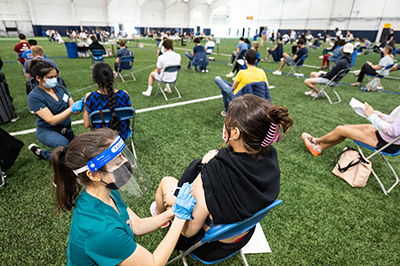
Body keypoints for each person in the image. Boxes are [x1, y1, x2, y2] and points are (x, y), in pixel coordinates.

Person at [153, 94, 293, 261]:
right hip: (241, 237)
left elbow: (187, 231)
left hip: (209, 247)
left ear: (234, 133)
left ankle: (160, 216)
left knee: (166, 182)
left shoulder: (212, 174)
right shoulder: (270, 156)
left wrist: (174, 201)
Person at [52, 128, 196, 266]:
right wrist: (180, 218)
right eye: (117, 161)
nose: (126, 163)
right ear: (94, 174)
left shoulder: (104, 191)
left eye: (122, 155)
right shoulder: (101, 230)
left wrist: (173, 211)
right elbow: (153, 263)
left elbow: (137, 226)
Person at [27, 60, 83, 160]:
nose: (54, 79)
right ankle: (41, 153)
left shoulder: (60, 88)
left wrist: (81, 104)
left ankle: (44, 153)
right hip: (47, 131)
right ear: (38, 78)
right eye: (50, 77)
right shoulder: (34, 97)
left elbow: (73, 108)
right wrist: (71, 109)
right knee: (64, 151)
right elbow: (51, 120)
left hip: (66, 129)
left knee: (75, 154)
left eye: (55, 76)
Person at [302, 103, 400, 157]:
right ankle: (318, 148)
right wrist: (381, 116)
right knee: (345, 128)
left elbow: (393, 131)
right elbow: (395, 121)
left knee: (341, 129)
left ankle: (315, 141)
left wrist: (372, 117)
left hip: (387, 143)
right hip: (386, 137)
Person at [83, 63, 132, 140]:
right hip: (121, 135)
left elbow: (86, 124)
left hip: (101, 138)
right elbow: (131, 115)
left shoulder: (90, 97)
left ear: (94, 80)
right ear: (112, 77)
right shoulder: (124, 94)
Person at [215, 49, 269, 116]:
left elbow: (234, 87)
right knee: (225, 88)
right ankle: (226, 111)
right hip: (254, 98)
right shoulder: (261, 72)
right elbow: (266, 86)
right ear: (255, 61)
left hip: (240, 97)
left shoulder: (242, 73)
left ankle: (227, 111)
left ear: (245, 61)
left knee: (217, 79)